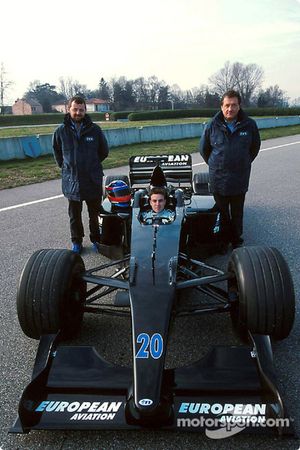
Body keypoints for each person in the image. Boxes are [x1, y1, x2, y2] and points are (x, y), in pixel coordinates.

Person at [199, 89, 261, 251]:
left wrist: (242, 162)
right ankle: (222, 241)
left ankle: (236, 240)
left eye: (234, 105)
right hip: (218, 177)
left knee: (237, 212)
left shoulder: (249, 125)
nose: (230, 109)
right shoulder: (212, 125)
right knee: (221, 212)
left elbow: (254, 148)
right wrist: (216, 164)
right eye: (227, 105)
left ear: (239, 106)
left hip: (240, 177)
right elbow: (204, 149)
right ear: (221, 107)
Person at [53, 95, 109, 254]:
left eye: (81, 110)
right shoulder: (60, 131)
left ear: (85, 111)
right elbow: (57, 151)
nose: (78, 112)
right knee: (74, 215)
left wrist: (91, 165)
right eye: (75, 109)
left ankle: (96, 239)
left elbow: (104, 151)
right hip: (72, 181)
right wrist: (66, 167)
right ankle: (76, 241)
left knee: (95, 213)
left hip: (92, 179)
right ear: (68, 109)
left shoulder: (95, 130)